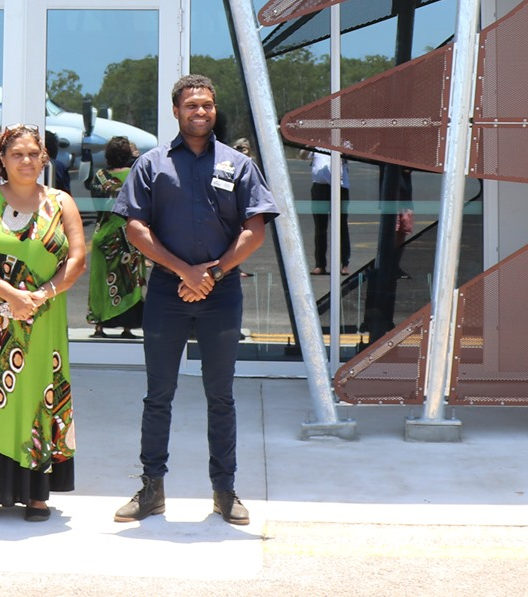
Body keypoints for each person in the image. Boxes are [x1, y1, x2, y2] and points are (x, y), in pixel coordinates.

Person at [112, 74, 278, 527]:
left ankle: (225, 492)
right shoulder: (151, 164)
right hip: (167, 292)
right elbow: (135, 229)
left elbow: (255, 228)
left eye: (206, 105)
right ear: (176, 111)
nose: (200, 112)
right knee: (158, 396)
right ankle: (152, 490)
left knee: (220, 395)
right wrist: (184, 271)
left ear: (214, 108)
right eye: (191, 106)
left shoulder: (238, 164)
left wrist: (214, 272)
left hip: (221, 295)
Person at [0, 125, 86, 521]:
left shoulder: (62, 202)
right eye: (17, 154)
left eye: (33, 154)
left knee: (36, 394)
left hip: (44, 319)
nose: (26, 161)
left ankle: (37, 493)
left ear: (44, 159)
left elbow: (77, 258)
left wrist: (41, 294)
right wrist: (11, 295)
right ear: (2, 160)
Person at [86, 137, 145, 338]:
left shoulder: (99, 177)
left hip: (103, 234)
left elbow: (97, 207)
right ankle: (127, 327)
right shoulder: (134, 176)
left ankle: (99, 326)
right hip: (128, 236)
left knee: (100, 281)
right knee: (129, 281)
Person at [308, 147, 350, 276]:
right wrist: (307, 146)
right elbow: (304, 156)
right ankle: (320, 264)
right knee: (320, 227)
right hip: (319, 186)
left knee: (341, 226)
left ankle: (344, 263)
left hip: (339, 187)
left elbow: (351, 153)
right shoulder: (316, 141)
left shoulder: (342, 138)